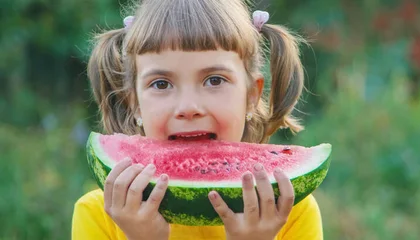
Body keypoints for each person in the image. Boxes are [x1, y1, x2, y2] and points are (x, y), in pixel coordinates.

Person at [71, 0, 323, 239]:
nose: (188, 107)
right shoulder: (99, 214)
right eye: (161, 84)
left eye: (214, 80)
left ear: (251, 96)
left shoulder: (290, 211)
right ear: (134, 103)